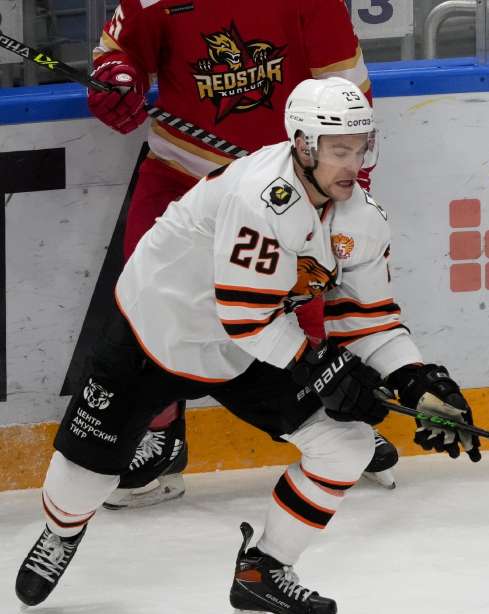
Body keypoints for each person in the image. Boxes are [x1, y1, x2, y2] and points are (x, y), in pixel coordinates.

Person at [15, 78, 481, 614]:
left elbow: (367, 315)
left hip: (247, 349)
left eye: (361, 148)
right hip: (157, 331)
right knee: (81, 482)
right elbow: (245, 316)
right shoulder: (260, 197)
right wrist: (323, 368)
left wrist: (418, 378)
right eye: (339, 149)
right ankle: (61, 531)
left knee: (346, 445)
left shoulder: (362, 219)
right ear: (303, 145)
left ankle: (264, 572)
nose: (353, 164)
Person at [84, 0, 399, 508]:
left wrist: (344, 185)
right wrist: (117, 79)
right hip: (183, 173)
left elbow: (347, 91)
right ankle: (157, 435)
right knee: (151, 303)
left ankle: (335, 419)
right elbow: (118, 54)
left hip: (286, 182)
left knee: (304, 306)